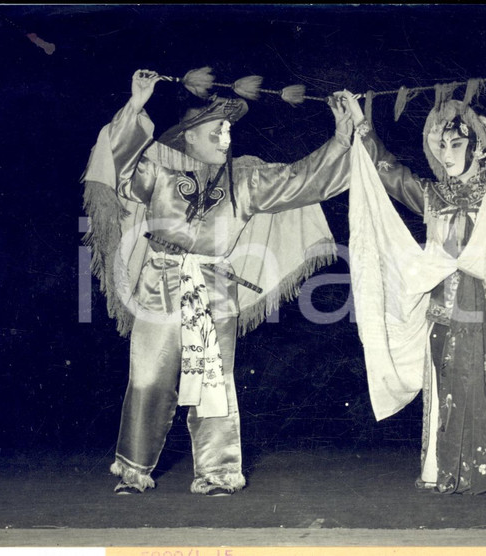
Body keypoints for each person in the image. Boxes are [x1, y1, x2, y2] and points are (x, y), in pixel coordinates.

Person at [82, 69, 354, 496]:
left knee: (214, 381)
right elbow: (118, 167)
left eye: (229, 129)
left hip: (214, 291)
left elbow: (301, 180)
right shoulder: (158, 173)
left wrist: (340, 139)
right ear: (189, 135)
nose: (227, 135)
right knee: (149, 376)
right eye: (217, 128)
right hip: (160, 285)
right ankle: (133, 469)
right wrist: (136, 105)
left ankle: (218, 473)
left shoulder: (244, 181)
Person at [342, 70, 486, 494]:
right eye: (441, 145)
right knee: (447, 384)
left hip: (484, 307)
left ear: (478, 148)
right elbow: (389, 173)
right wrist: (362, 125)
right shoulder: (433, 195)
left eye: (457, 143)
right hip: (442, 311)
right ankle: (443, 469)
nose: (447, 153)